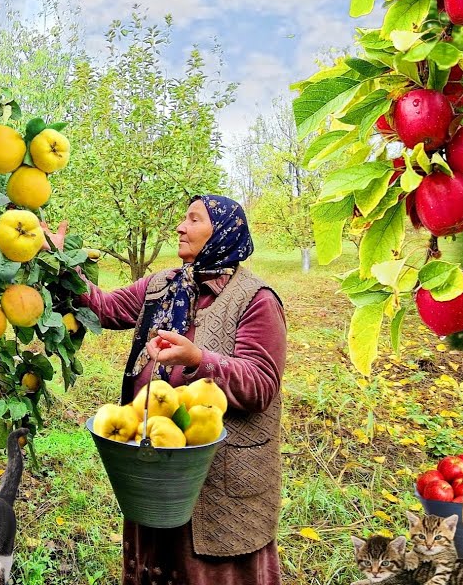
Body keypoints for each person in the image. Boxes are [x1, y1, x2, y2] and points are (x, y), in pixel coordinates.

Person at [44, 194, 287, 585]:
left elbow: (261, 384)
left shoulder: (255, 300)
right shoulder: (163, 285)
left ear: (223, 233)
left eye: (194, 220)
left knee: (208, 568)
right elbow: (105, 308)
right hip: (155, 469)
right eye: (183, 218)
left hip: (218, 480)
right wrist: (60, 261)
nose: (180, 227)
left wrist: (198, 359)